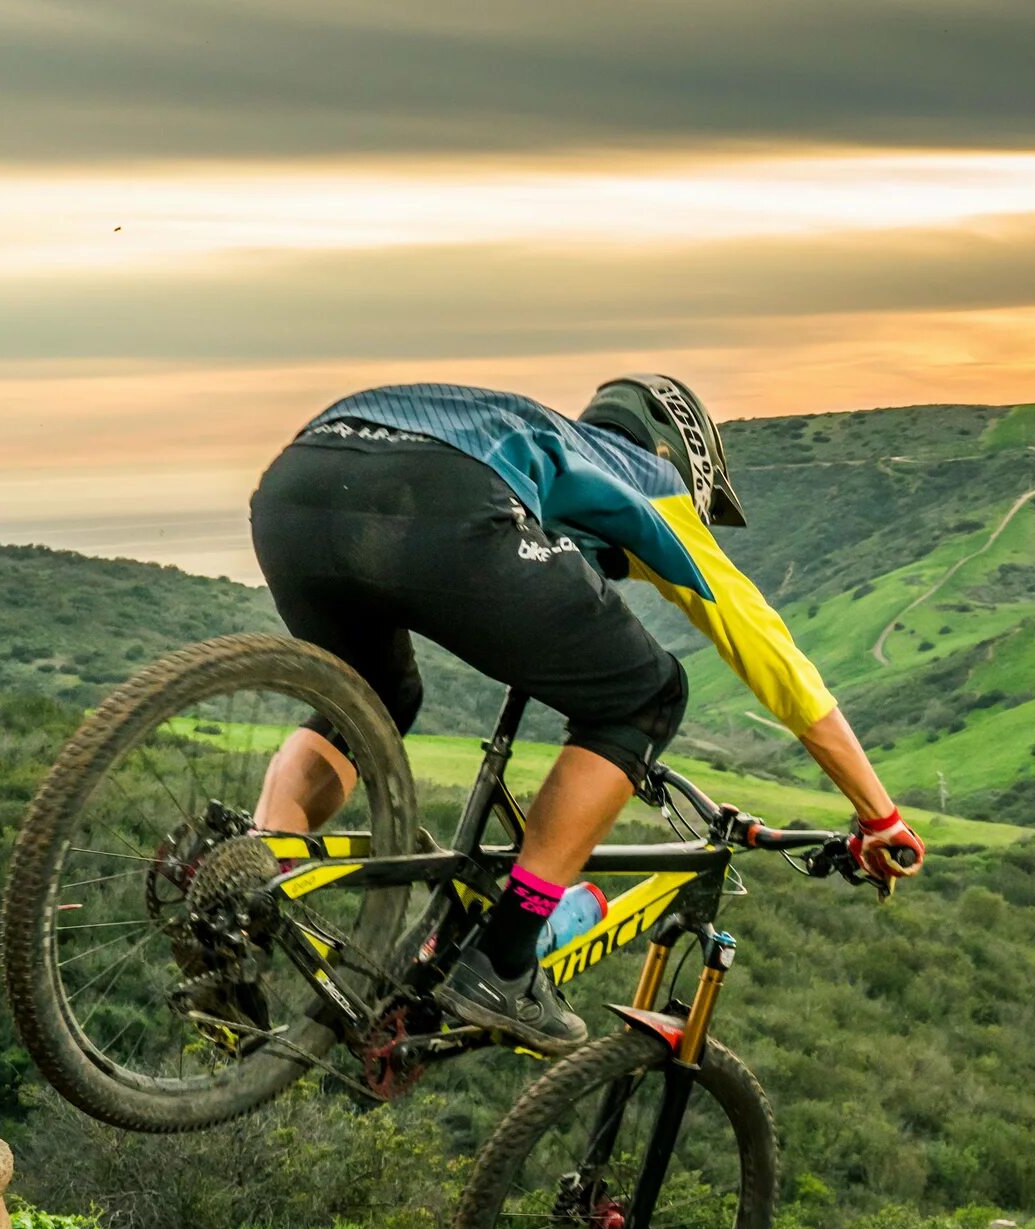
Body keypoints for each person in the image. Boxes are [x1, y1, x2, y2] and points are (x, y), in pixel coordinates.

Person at [244, 374, 923, 1050]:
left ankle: (247, 884)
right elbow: (775, 660)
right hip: (442, 495)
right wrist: (879, 814)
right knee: (650, 695)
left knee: (378, 699)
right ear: (674, 454)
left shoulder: (530, 429)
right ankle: (504, 959)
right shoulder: (649, 480)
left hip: (297, 486)